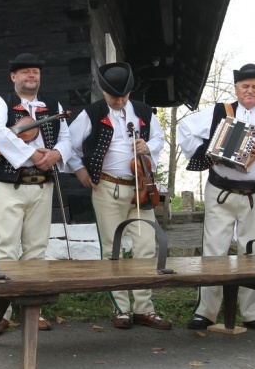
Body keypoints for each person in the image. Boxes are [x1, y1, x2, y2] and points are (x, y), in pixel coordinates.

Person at [177, 63, 255, 333]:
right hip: (220, 191)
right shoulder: (221, 111)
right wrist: (209, 151)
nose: (250, 91)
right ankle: (205, 312)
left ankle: (252, 314)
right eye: (245, 86)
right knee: (214, 250)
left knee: (252, 251)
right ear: (237, 88)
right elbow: (185, 128)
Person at [67, 62, 172, 331]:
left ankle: (144, 308)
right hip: (107, 188)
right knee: (112, 249)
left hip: (141, 187)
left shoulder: (145, 112)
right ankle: (121, 308)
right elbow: (69, 145)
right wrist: (79, 170)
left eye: (124, 95)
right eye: (115, 96)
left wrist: (148, 146)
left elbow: (159, 140)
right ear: (104, 91)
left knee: (146, 246)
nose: (120, 100)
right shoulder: (91, 114)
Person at [0, 53, 72, 334]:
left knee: (37, 249)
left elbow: (66, 138)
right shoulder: (2, 102)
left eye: (35, 72)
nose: (31, 76)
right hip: (12, 185)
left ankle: (32, 311)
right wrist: (32, 154)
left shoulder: (52, 106)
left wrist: (56, 154)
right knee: (6, 248)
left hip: (43, 185)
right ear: (14, 77)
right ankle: (1, 312)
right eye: (25, 73)